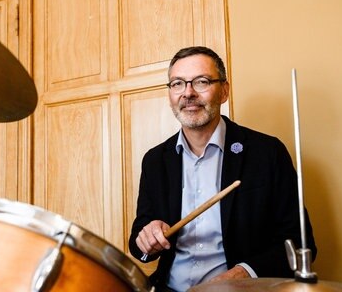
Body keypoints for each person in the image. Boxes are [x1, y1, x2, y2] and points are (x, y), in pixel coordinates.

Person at [129, 46, 317, 291]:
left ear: (224, 91)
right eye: (177, 84)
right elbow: (138, 243)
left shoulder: (266, 152)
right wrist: (147, 239)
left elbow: (301, 242)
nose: (188, 93)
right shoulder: (155, 160)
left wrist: (243, 274)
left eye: (201, 81)